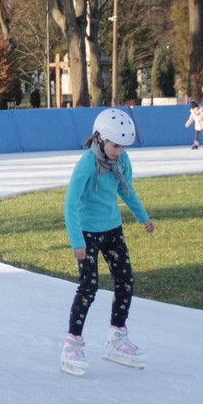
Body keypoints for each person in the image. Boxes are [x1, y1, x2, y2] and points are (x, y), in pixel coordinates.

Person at [60, 108, 156, 377]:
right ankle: (72, 343)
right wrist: (77, 241)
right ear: (100, 139)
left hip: (112, 229)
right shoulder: (87, 165)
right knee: (89, 286)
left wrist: (143, 217)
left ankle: (117, 338)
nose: (120, 152)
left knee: (126, 280)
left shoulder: (122, 163)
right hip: (87, 234)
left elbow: (127, 191)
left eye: (124, 147)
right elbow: (71, 205)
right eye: (116, 146)